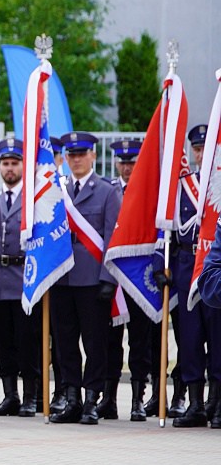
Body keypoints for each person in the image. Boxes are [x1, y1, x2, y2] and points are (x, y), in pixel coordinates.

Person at [50, 132, 122, 424]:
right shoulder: (57, 190)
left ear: (93, 156)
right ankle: (72, 399)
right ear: (66, 159)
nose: (76, 160)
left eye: (81, 154)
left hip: (93, 280)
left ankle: (92, 398)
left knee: (95, 344)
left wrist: (108, 278)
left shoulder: (106, 191)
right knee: (65, 343)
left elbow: (112, 237)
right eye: (71, 155)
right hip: (62, 279)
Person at [167, 124, 221, 427]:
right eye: (198, 149)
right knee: (189, 338)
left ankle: (218, 402)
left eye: (207, 148)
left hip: (215, 264)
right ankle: (196, 403)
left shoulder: (219, 183)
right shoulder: (183, 186)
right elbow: (172, 233)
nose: (202, 154)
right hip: (187, 264)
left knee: (217, 336)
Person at [0, 137, 41, 416]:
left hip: (24, 277)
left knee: (28, 339)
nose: (9, 169)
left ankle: (32, 395)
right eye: (5, 164)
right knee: (3, 339)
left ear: (23, 166)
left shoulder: (33, 199)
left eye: (14, 163)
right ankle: (11, 394)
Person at [100, 138, 153, 420]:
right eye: (122, 162)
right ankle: (108, 398)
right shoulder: (109, 192)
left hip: (139, 278)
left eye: (131, 162)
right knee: (110, 340)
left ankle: (137, 400)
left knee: (140, 341)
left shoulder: (149, 193)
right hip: (113, 278)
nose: (127, 167)